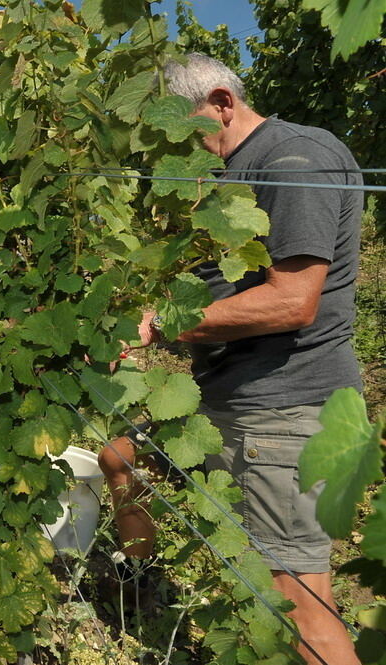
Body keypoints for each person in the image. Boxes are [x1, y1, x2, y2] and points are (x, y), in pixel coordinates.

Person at [103, 53, 364, 665]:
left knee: (296, 604)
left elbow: (293, 301)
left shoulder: (294, 158)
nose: (166, 143)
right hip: (226, 402)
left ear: (222, 100)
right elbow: (218, 294)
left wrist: (162, 324)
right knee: (121, 457)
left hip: (283, 412)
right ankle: (142, 584)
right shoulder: (219, 177)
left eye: (176, 124)